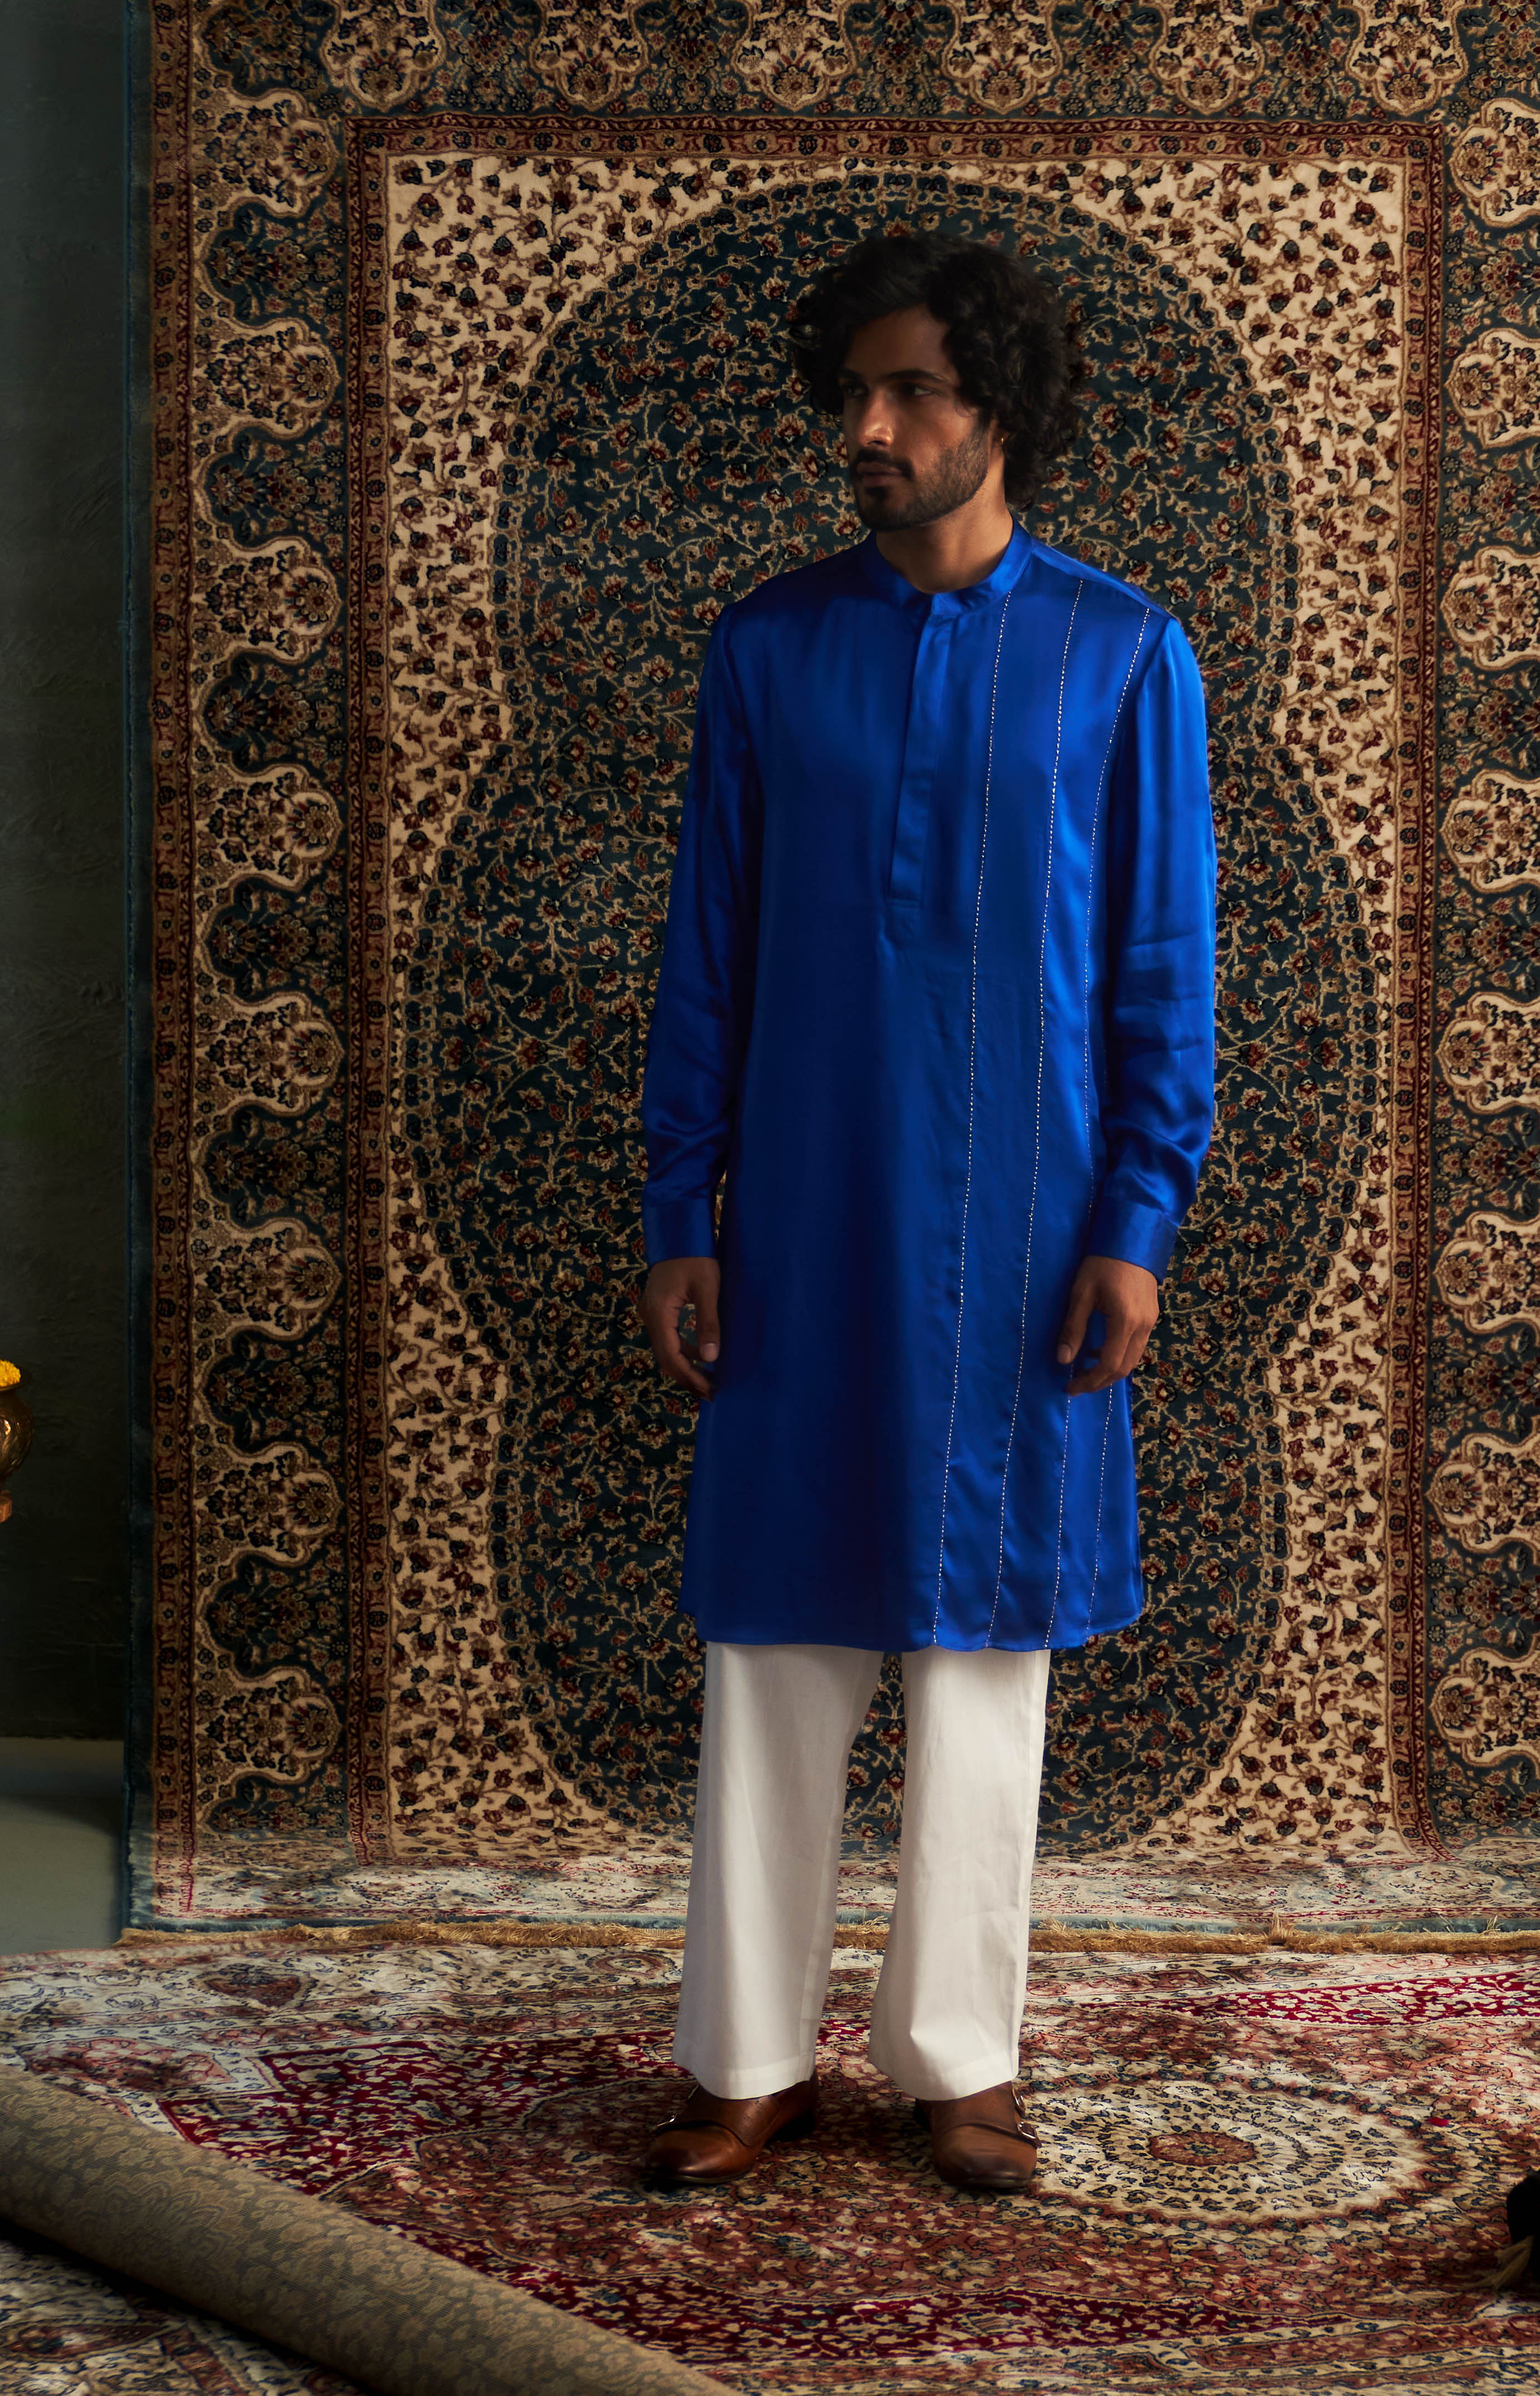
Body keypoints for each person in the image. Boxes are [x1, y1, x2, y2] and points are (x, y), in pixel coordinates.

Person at [635, 230, 1217, 2193]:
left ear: (997, 413)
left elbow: (1162, 968)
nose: (867, 428)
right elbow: (706, 949)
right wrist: (682, 1203)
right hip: (799, 1217)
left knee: (984, 1648)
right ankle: (743, 2058)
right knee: (776, 1629)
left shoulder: (1122, 657)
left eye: (910, 394)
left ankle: (957, 2054)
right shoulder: (767, 646)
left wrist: (1136, 1218)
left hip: (1027, 1234)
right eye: (854, 392)